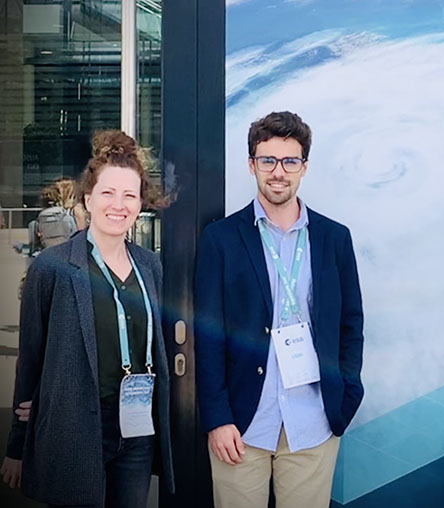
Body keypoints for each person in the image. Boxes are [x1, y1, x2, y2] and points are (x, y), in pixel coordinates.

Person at [195, 111, 364, 508]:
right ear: (252, 165)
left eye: (290, 161)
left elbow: (350, 323)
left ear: (304, 167)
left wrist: (346, 396)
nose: (278, 172)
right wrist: (217, 417)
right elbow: (208, 334)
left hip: (314, 422)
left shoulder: (334, 239)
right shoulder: (221, 239)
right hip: (241, 425)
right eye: (267, 160)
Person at [1, 130, 175, 507]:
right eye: (108, 193)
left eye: (129, 195)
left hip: (137, 430)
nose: (119, 204)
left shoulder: (150, 266)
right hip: (76, 427)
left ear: (139, 203)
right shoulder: (52, 268)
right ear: (88, 199)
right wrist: (18, 443)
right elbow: (30, 360)